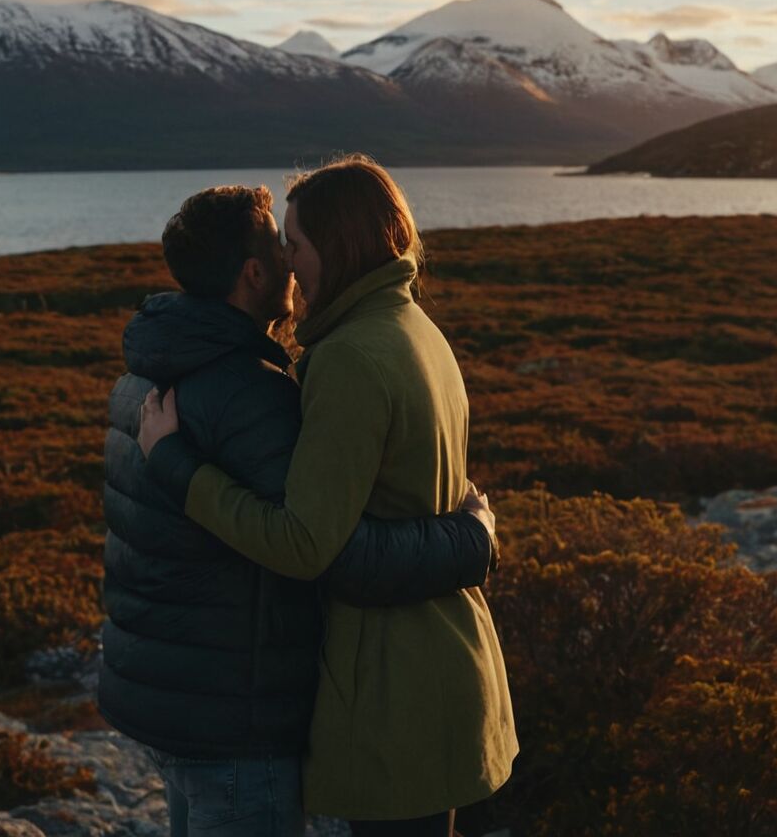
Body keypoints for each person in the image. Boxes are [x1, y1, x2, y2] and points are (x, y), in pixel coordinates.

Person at [101, 184, 500, 837]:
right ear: (254, 274)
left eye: (297, 243)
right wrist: (470, 539)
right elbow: (321, 548)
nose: (289, 260)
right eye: (281, 245)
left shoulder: (140, 380)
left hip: (167, 705)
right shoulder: (260, 393)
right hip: (237, 716)